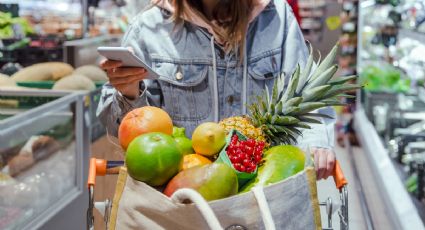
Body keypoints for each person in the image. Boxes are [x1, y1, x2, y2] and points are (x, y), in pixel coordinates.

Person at [97, 0, 336, 180]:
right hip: (183, 197)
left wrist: (316, 142)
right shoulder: (150, 27)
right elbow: (128, 135)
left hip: (266, 187)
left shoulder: (277, 16)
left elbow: (305, 91)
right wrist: (129, 92)